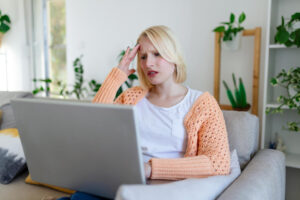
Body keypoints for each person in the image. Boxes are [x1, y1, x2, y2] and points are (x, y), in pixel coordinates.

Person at [92, 25, 231, 180]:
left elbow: (218, 164)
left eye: (156, 54)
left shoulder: (202, 104)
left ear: (173, 56)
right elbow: (95, 127)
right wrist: (117, 76)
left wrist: (150, 169)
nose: (148, 63)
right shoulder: (131, 97)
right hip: (123, 178)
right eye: (143, 57)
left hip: (166, 187)